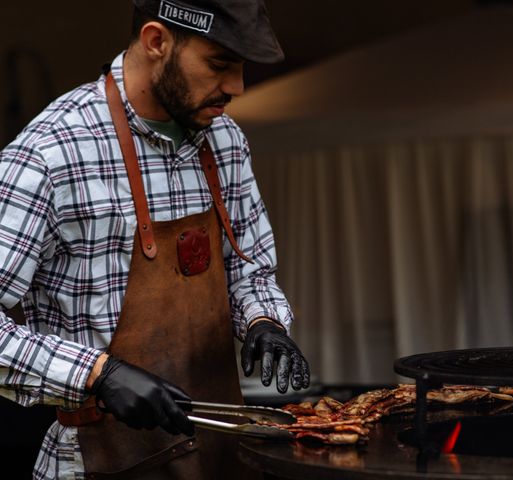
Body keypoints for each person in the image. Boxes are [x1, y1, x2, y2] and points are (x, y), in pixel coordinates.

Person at [0, 0, 310, 478]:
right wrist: (96, 374)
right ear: (156, 41)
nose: (237, 88)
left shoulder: (224, 140)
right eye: (219, 64)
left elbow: (250, 269)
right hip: (102, 461)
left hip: (220, 456)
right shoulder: (49, 154)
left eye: (241, 68)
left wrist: (263, 319)